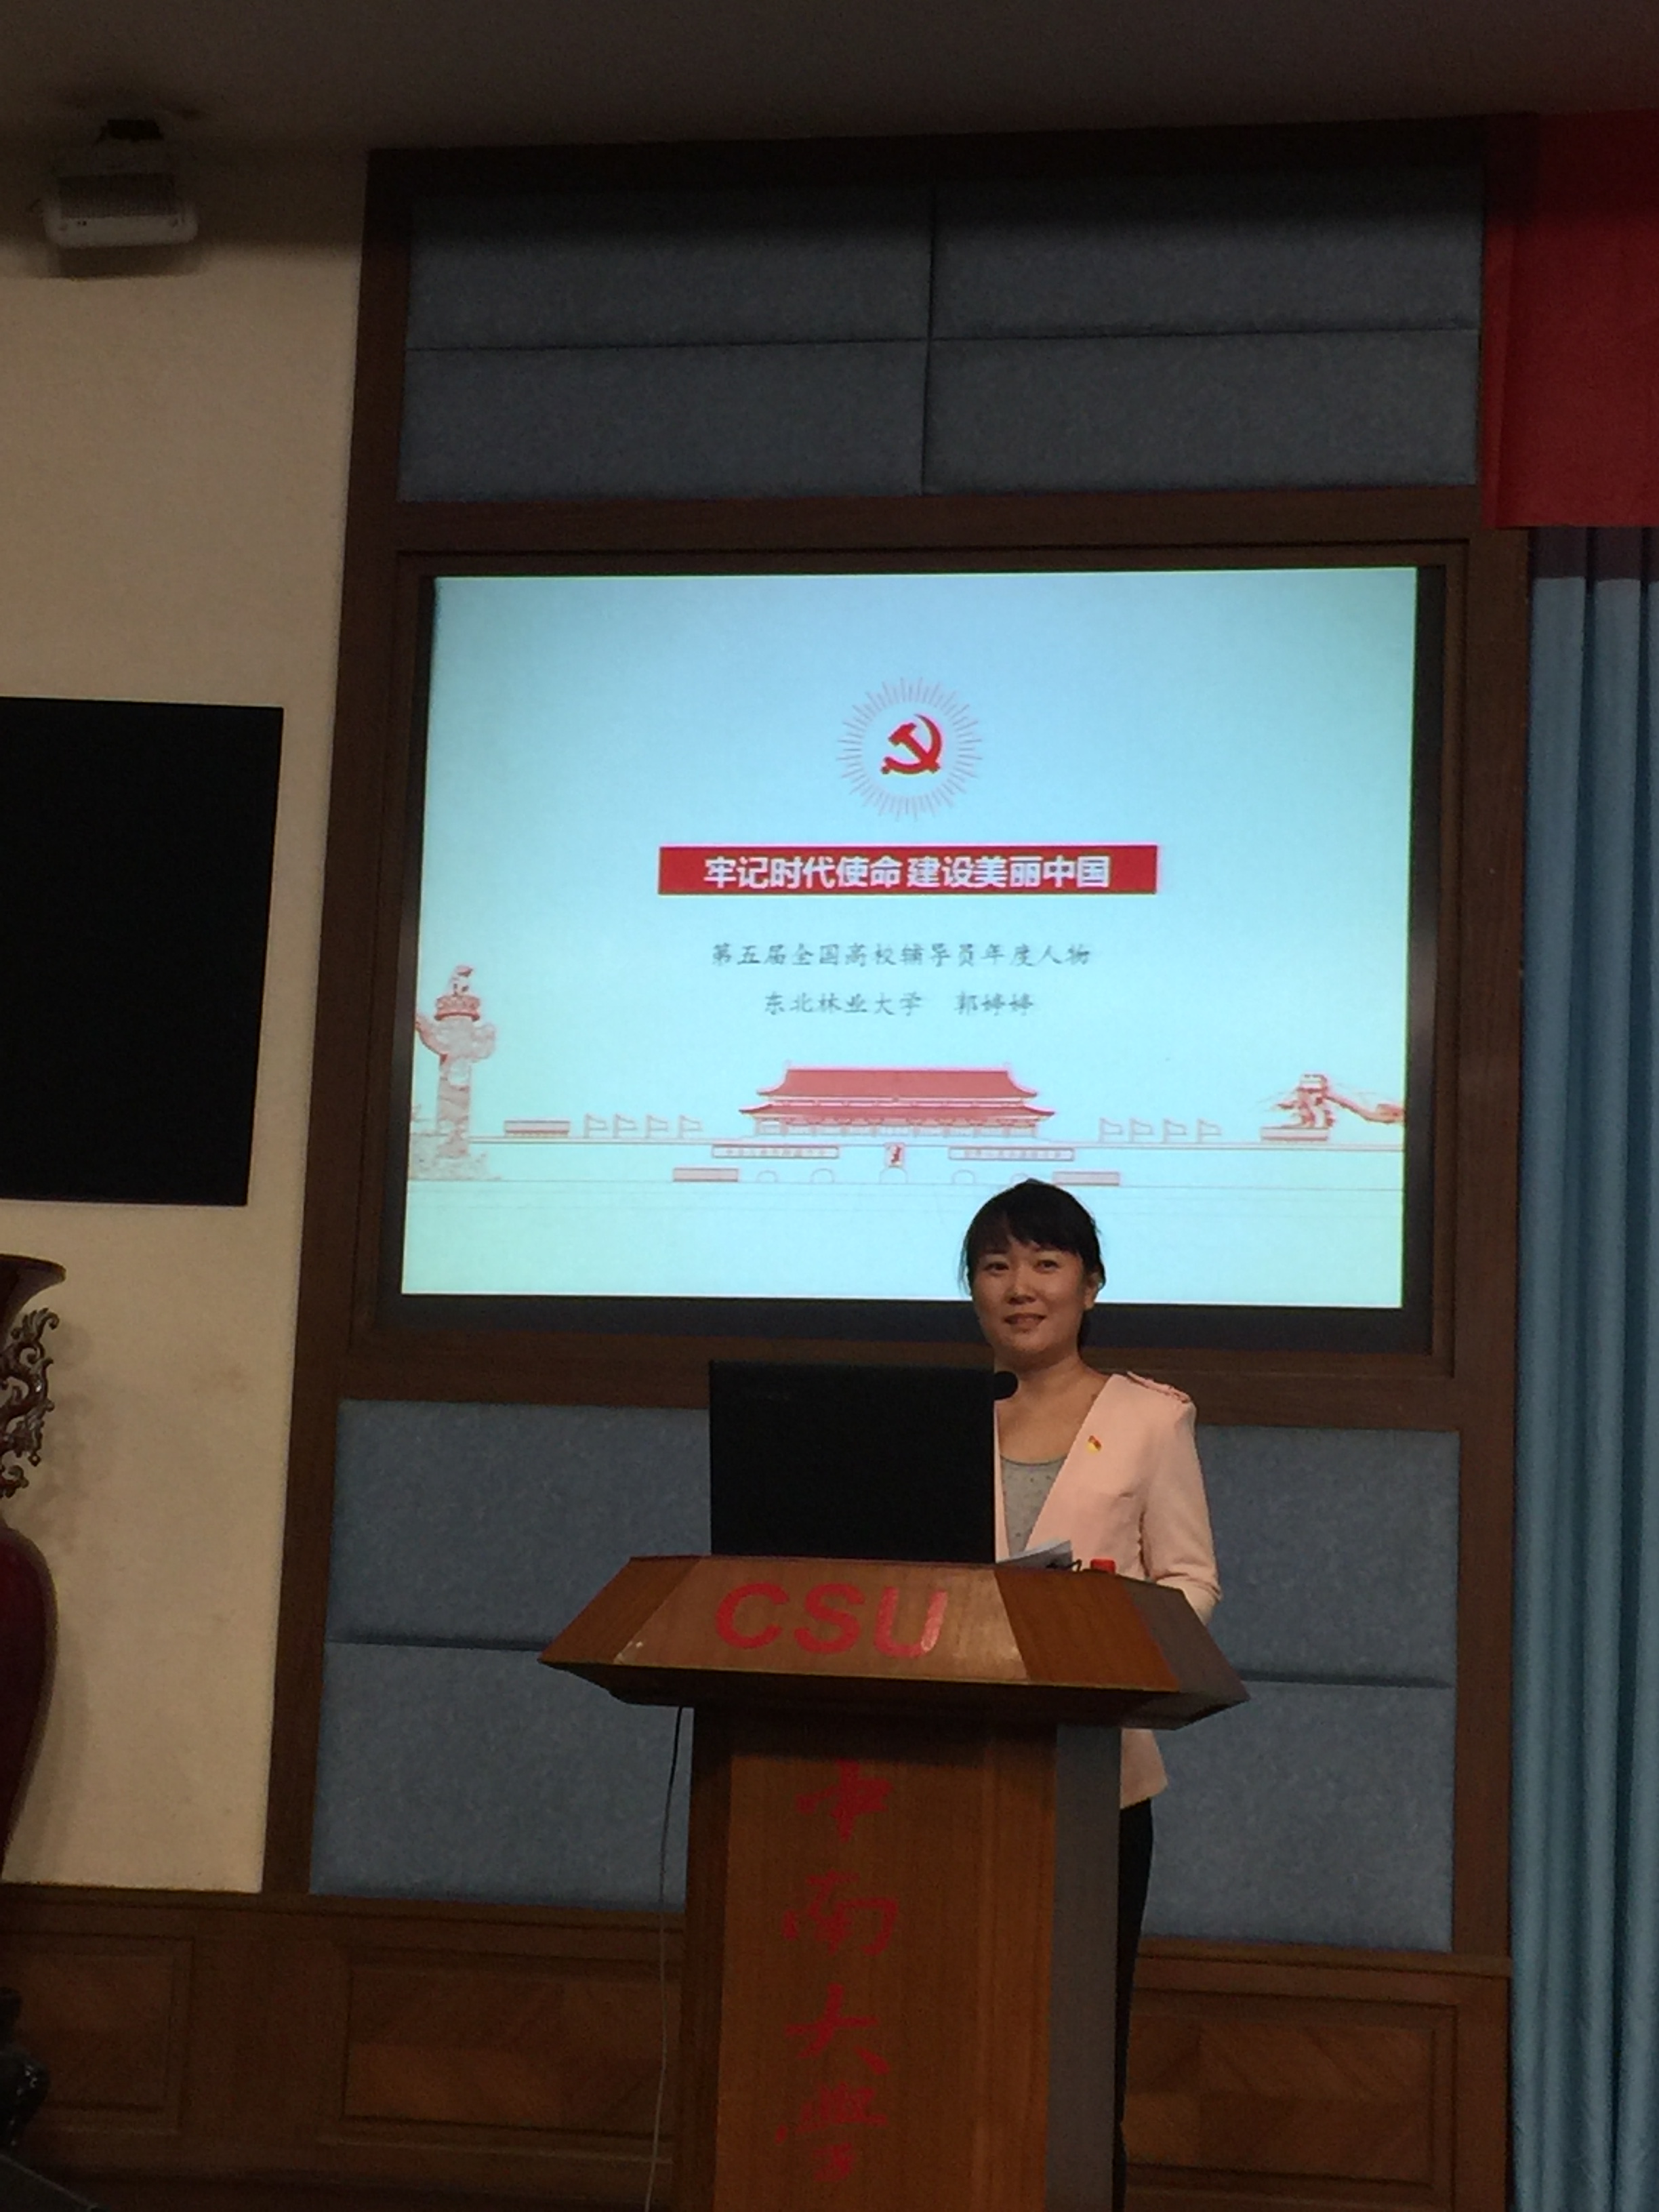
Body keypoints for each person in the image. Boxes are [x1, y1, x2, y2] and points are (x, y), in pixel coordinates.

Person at [963, 1178, 1220, 2212]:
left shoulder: (1150, 1417)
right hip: (956, 1773)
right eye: (995, 1266)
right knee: (964, 2033)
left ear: (1091, 1285)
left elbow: (1191, 1581)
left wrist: (1109, 1637)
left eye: (1046, 1263)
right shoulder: (940, 1421)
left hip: (1093, 1777)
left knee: (1076, 2046)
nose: (1020, 1287)